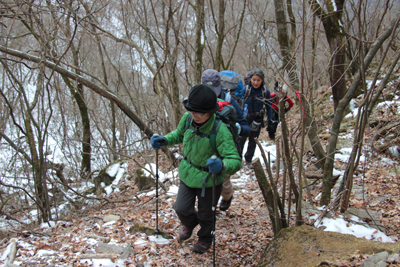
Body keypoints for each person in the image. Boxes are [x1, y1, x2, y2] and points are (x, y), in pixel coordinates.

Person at [150, 84, 242, 254]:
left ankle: (205, 237)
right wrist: (164, 140)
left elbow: (235, 160)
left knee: (207, 214)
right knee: (181, 208)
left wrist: (222, 165)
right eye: (192, 112)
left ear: (210, 112)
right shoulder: (188, 118)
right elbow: (178, 135)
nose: (195, 116)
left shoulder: (220, 130)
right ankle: (190, 223)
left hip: (210, 179)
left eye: (199, 113)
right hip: (188, 172)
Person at [201, 69, 250, 212]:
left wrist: (236, 128)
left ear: (220, 85)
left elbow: (246, 128)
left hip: (225, 148)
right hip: (205, 147)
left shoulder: (229, 101)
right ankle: (208, 210)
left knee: (224, 181)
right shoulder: (198, 98)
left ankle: (227, 197)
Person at [238, 68, 272, 169]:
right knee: (240, 140)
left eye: (258, 80)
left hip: (257, 120)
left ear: (262, 80)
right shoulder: (245, 90)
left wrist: (270, 121)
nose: (255, 82)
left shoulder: (265, 92)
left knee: (253, 141)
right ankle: (238, 160)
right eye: (253, 80)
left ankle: (248, 159)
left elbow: (269, 107)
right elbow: (238, 103)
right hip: (244, 119)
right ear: (250, 79)